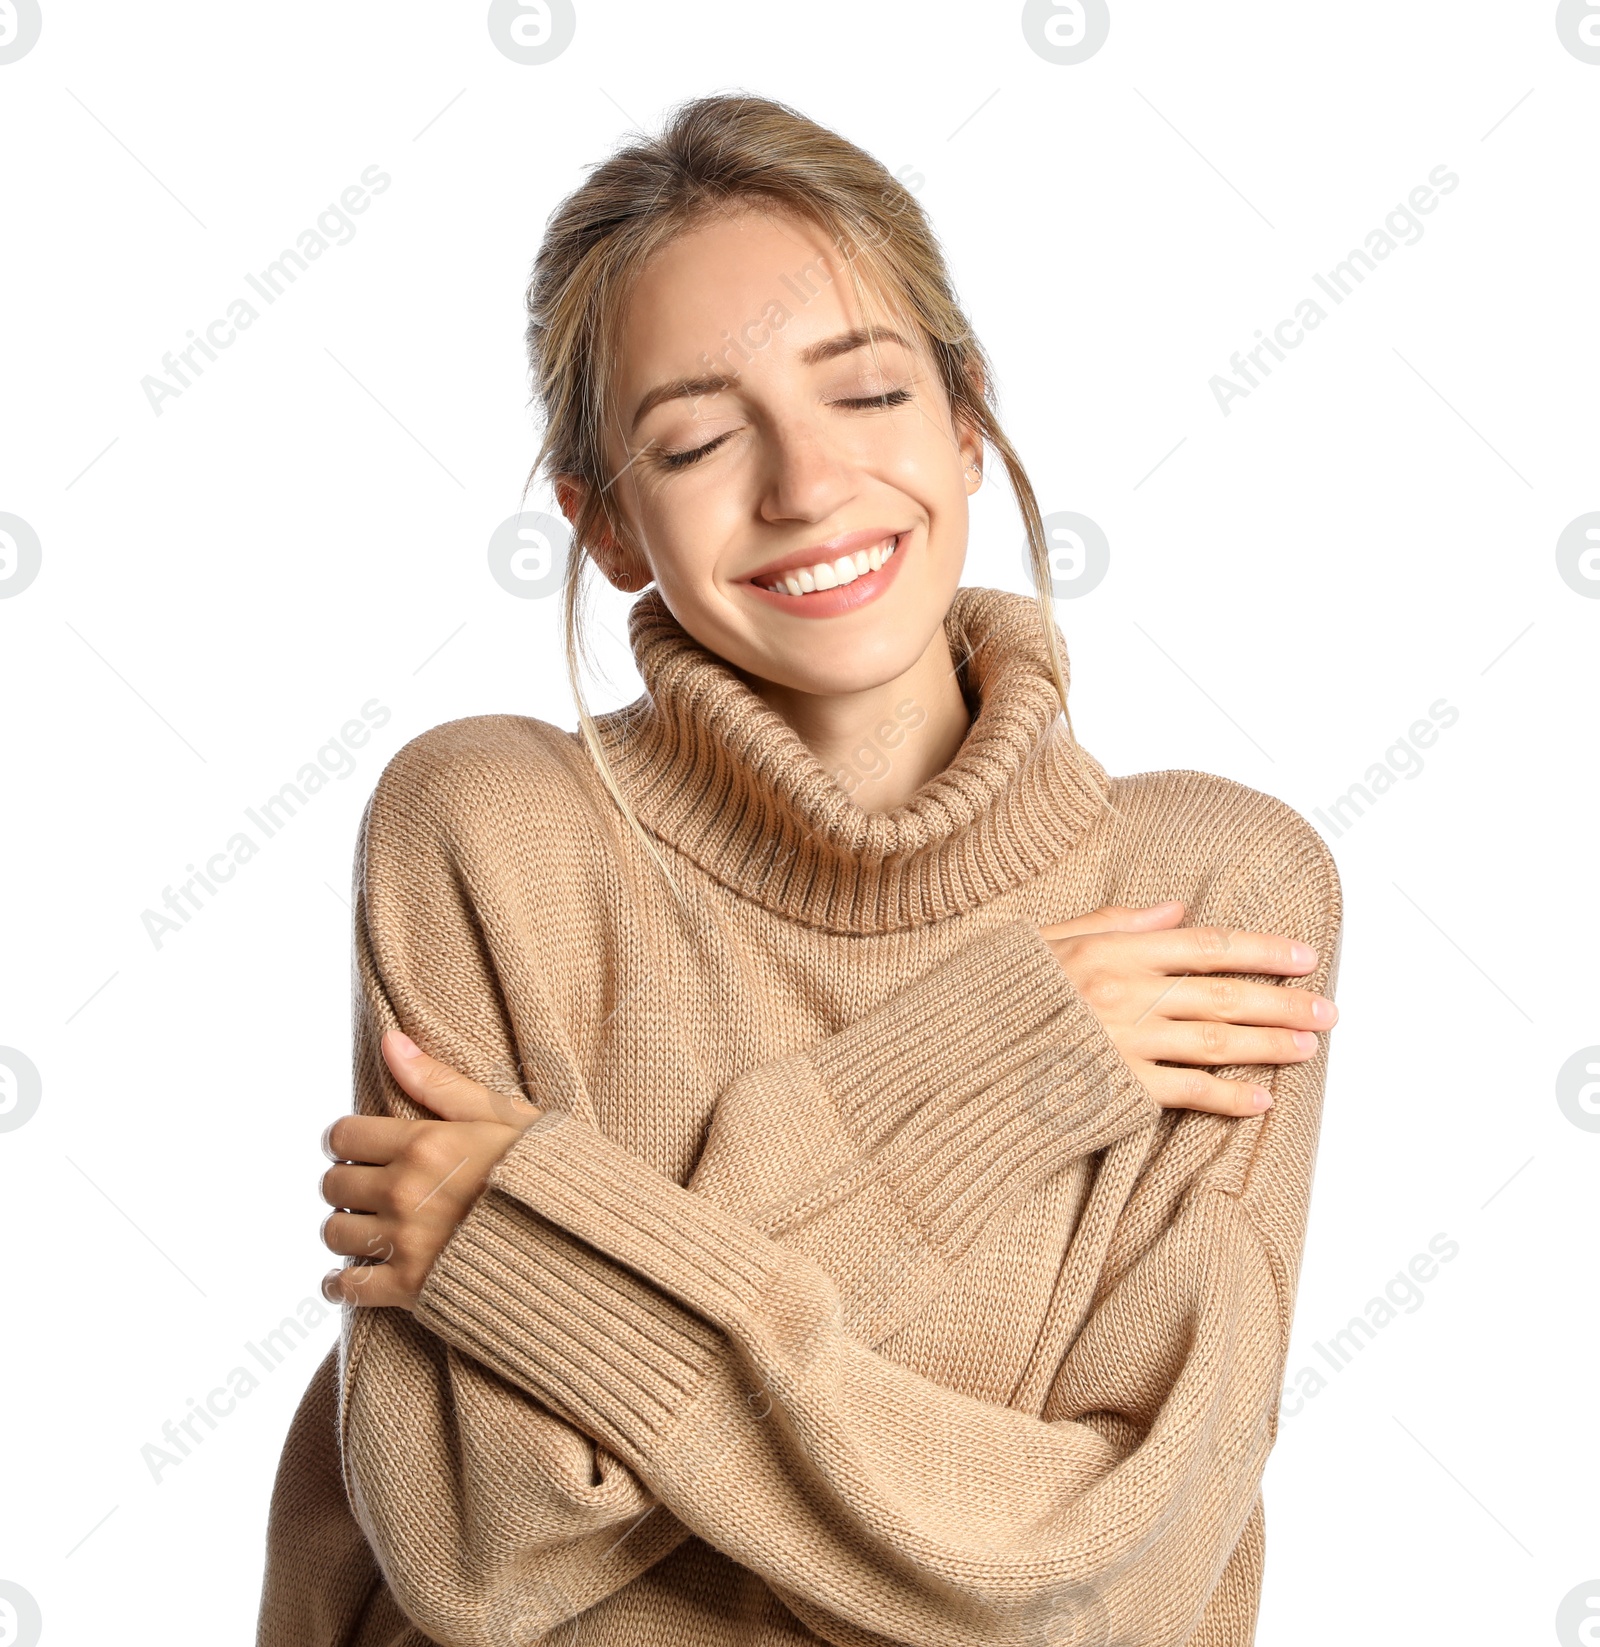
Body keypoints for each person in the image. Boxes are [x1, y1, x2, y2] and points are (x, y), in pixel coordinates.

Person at [256, 92, 1342, 1647]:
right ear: (609, 522)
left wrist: (537, 1247)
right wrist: (1003, 1066)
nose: (807, 485)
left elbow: (1113, 1580)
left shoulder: (1218, 888)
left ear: (967, 423)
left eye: (870, 396)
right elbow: (481, 1538)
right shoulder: (491, 827)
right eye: (694, 438)